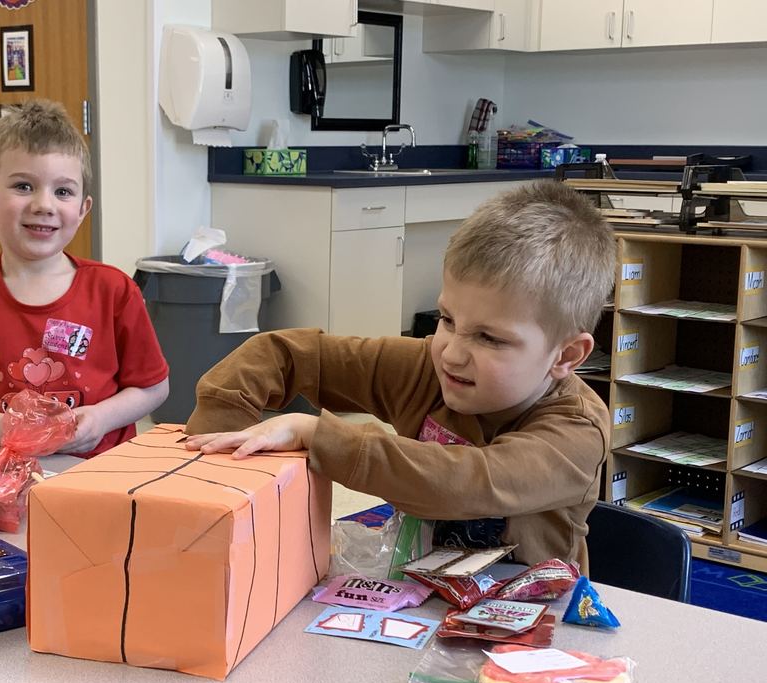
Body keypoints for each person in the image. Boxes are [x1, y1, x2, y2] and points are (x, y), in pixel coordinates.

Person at [184, 180, 616, 571]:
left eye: (489, 338)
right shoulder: (429, 367)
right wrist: (212, 471)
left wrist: (317, 435)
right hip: (420, 597)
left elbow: (462, 484)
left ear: (566, 355)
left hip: (529, 624)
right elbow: (281, 354)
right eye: (446, 319)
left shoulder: (576, 433)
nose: (452, 352)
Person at [0, 99, 168, 458]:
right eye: (24, 186)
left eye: (63, 191)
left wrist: (101, 419)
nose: (44, 204)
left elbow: (153, 388)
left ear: (83, 208)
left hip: (99, 472)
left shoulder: (114, 290)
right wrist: (7, 429)